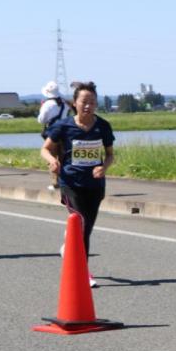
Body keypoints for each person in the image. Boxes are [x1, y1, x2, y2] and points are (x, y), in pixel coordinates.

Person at [41, 82, 115, 288]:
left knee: (86, 229)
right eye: (84, 102)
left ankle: (69, 246)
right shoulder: (64, 126)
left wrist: (103, 167)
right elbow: (45, 149)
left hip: (95, 184)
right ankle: (84, 273)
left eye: (92, 102)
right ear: (74, 103)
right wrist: (52, 161)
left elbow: (110, 155)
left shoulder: (103, 126)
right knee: (81, 224)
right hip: (70, 182)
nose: (88, 106)